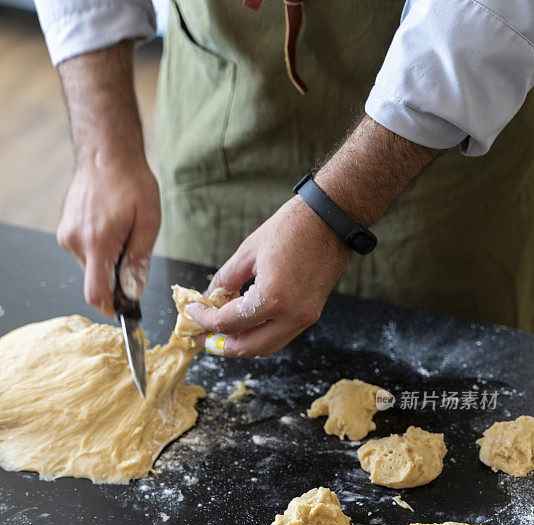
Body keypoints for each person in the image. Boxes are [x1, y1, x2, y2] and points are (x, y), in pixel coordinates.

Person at [36, 0, 534, 355]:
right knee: (218, 339)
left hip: (444, 129)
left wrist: (336, 213)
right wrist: (106, 146)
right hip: (223, 108)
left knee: (452, 381)